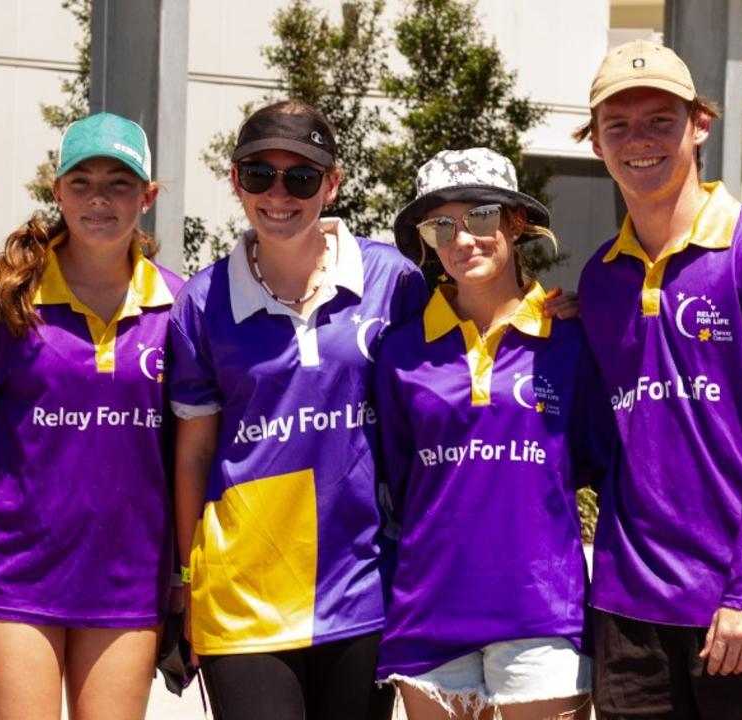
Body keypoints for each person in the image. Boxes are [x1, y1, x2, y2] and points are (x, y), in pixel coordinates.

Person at [573, 40, 742, 719]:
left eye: (661, 119)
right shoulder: (600, 279)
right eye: (618, 125)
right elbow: (600, 443)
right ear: (595, 142)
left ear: (699, 126)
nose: (640, 141)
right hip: (629, 610)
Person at [167, 100, 429, 720]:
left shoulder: (393, 280)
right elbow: (196, 453)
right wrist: (187, 579)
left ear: (333, 183)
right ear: (236, 181)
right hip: (244, 595)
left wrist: (547, 310)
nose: (278, 194)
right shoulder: (202, 302)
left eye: (302, 177)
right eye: (260, 174)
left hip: (364, 585)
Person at [0, 112, 182, 720]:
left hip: (130, 575)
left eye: (120, 182)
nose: (99, 198)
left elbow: (190, 452)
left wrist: (186, 570)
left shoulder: (181, 306)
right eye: (81, 181)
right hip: (11, 570)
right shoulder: (1, 298)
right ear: (56, 191)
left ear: (148, 196)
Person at [373, 148, 606, 720]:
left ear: (515, 224)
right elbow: (401, 482)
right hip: (430, 610)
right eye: (441, 225)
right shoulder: (400, 352)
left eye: (479, 217)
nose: (462, 239)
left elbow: (590, 464)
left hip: (542, 609)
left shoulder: (570, 339)